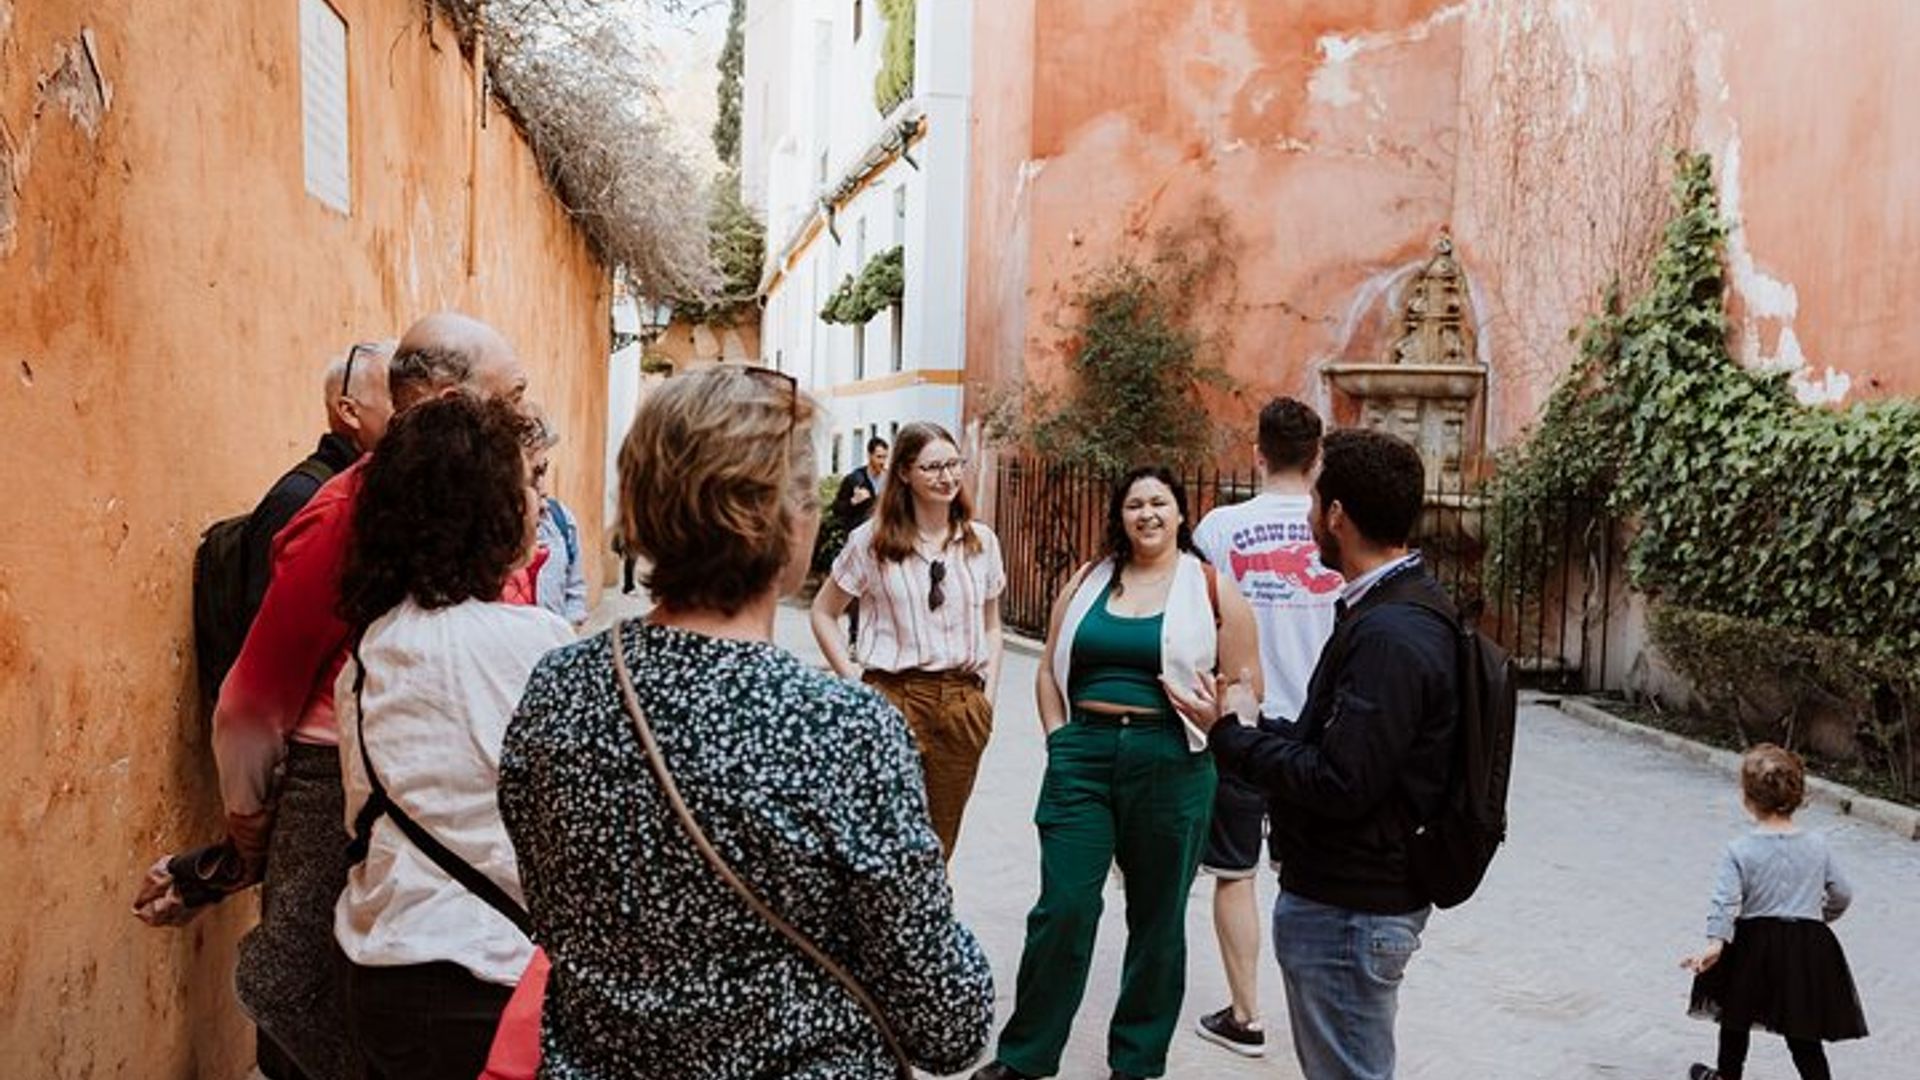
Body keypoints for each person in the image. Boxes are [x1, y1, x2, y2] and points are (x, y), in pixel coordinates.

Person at [498, 366, 994, 1078]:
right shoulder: (844, 730)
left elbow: (544, 906)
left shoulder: (559, 686)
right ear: (789, 518)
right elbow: (946, 1020)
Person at [133, 312, 532, 1080]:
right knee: (320, 1021)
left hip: (428, 825)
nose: (526, 416)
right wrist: (247, 838)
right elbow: (255, 699)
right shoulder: (344, 516)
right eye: (510, 397)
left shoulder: (490, 510)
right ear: (451, 405)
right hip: (348, 801)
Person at [1165, 429, 1458, 1080]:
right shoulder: (1391, 607)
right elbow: (1341, 745)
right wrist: (1250, 725)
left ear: (1335, 515)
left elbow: (1341, 781)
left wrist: (1231, 739)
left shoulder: (1391, 633)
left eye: (1314, 502)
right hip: (1355, 900)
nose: (1306, 517)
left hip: (1352, 911)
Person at [972, 466, 1261, 1080]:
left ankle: (1136, 1063)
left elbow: (1244, 684)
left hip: (1173, 759)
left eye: (1160, 502)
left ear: (1182, 514)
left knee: (1157, 920)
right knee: (1065, 907)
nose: (1147, 513)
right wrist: (1060, 741)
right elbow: (1050, 668)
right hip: (1085, 753)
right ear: (1120, 515)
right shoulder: (1086, 580)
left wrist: (1220, 724)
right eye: (1135, 504)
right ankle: (1026, 1057)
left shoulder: (1210, 587)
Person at [331, 394, 571, 1079]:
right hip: (487, 978)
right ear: (489, 506)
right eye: (529, 481)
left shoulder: (369, 650)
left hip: (378, 968)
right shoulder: (532, 643)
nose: (539, 501)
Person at [1188, 397, 1341, 1058]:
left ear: (1257, 454)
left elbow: (1195, 617)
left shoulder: (1221, 529)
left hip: (1245, 719)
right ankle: (1320, 1010)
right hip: (1321, 722)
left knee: (1235, 871)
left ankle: (1247, 1014)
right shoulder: (1336, 526)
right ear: (1317, 459)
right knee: (1315, 875)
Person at [810, 423, 1004, 861]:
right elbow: (824, 612)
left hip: (961, 705)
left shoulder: (982, 542)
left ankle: (926, 927)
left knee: (938, 848)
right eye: (932, 467)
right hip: (893, 698)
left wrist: (986, 698)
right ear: (904, 473)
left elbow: (992, 625)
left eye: (953, 464)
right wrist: (858, 687)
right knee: (883, 840)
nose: (947, 477)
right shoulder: (872, 543)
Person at [1680, 744, 1868, 1080]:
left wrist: (1715, 943)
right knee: (1803, 1030)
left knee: (1735, 1019)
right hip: (1804, 947)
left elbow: (1725, 901)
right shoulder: (1817, 845)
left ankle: (1727, 1075)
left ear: (1747, 799)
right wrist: (1817, 919)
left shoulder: (1739, 849)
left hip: (1753, 945)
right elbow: (1842, 893)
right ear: (1795, 794)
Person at [525, 405, 589, 627]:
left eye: (543, 471)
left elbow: (575, 591)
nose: (542, 488)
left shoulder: (561, 520)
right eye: (532, 475)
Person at [830, 436, 890, 643]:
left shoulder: (889, 480)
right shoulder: (855, 480)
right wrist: (853, 502)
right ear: (869, 455)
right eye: (879, 457)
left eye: (885, 456)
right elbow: (837, 509)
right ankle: (855, 637)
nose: (883, 461)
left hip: (885, 541)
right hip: (859, 543)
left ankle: (880, 637)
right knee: (858, 590)